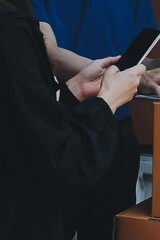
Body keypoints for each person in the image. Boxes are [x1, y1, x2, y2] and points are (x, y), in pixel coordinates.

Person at [29, 1, 160, 240]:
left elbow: (131, 60)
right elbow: (49, 54)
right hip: (59, 135)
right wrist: (121, 78)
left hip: (114, 133)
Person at [0, 1, 147, 239]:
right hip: (23, 209)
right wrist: (107, 101)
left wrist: (74, 91)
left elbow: (20, 116)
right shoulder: (11, 29)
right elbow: (62, 161)